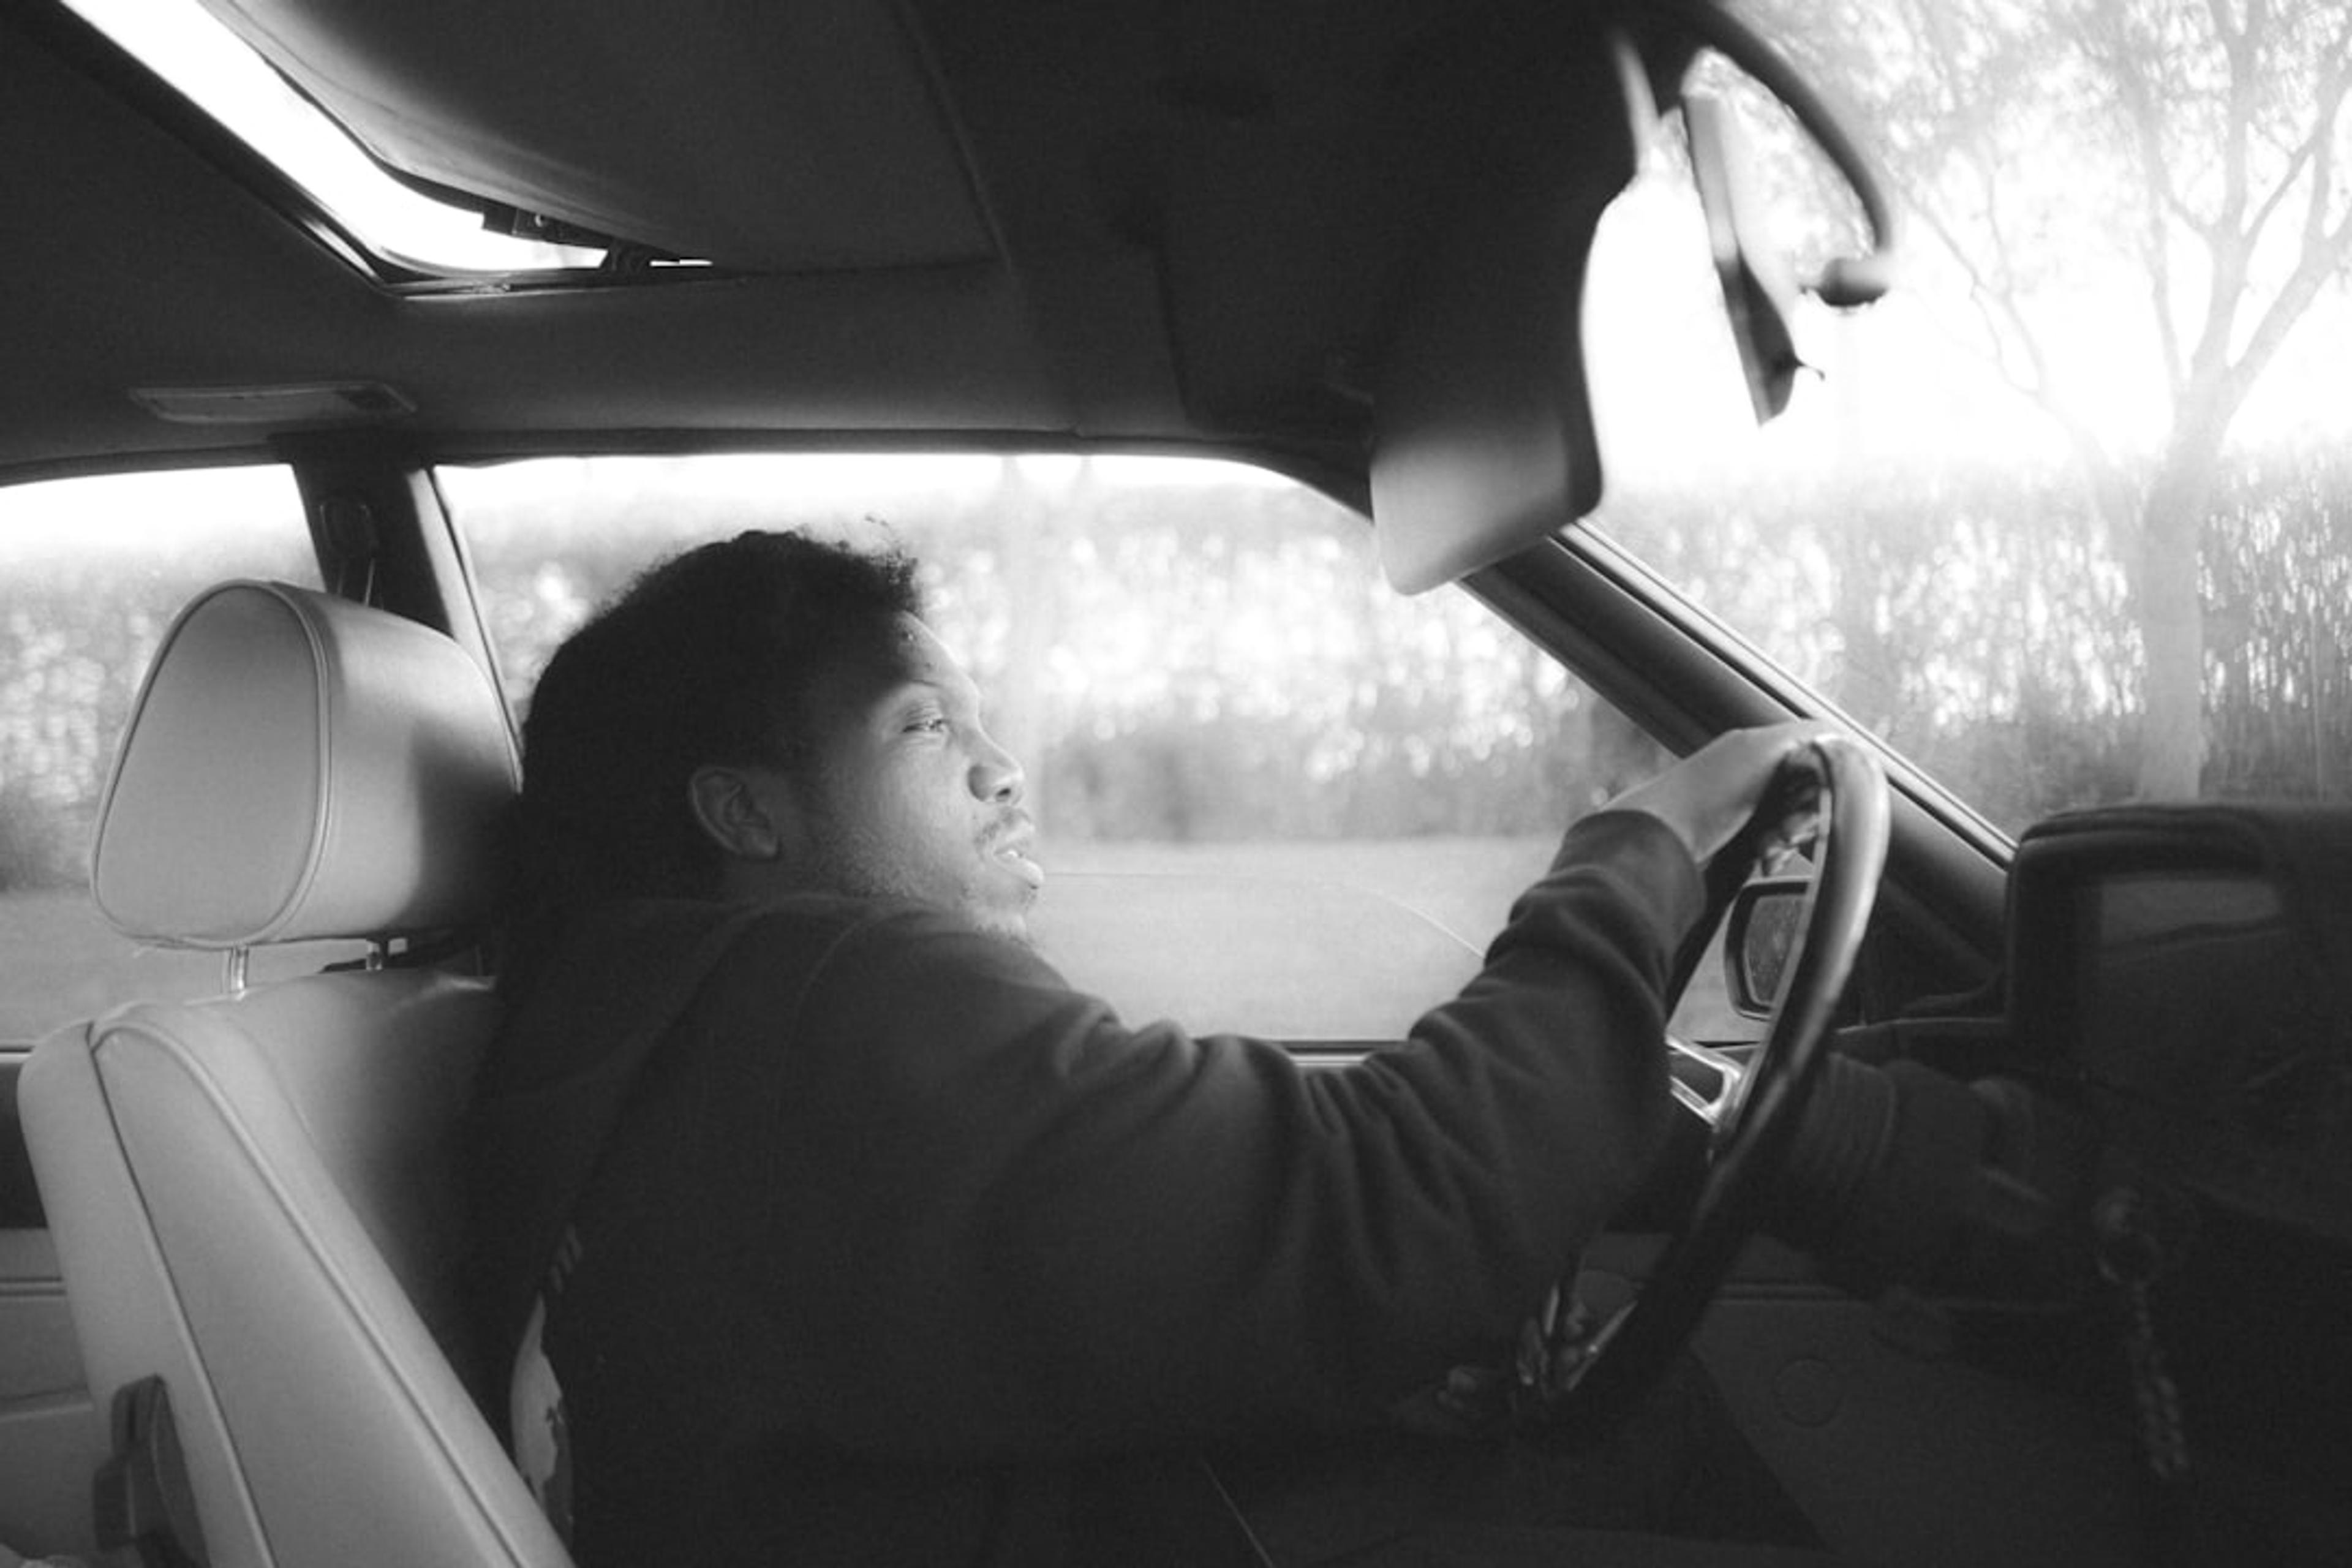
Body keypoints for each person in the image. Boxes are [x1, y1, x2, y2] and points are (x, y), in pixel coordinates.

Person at [467, 529, 1827, 1567]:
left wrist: (1343, 1372)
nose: (1004, 769)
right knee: (1640, 1439)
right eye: (925, 724)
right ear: (742, 810)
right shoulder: (826, 1003)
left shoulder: (647, 1039)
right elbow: (1389, 1202)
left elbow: (991, 1356)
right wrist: (1636, 852)